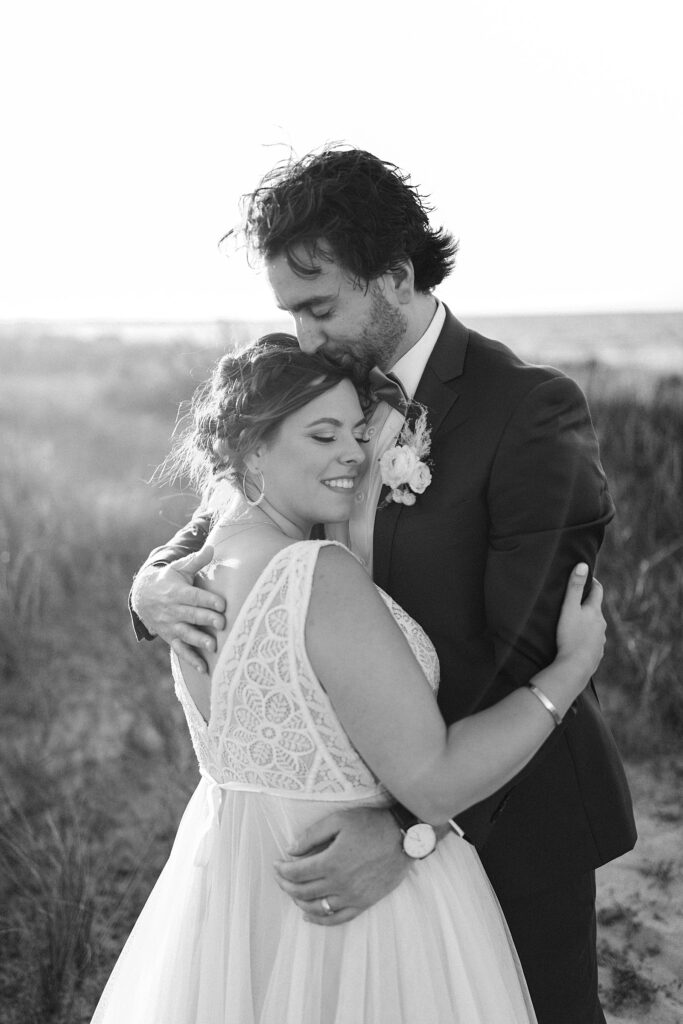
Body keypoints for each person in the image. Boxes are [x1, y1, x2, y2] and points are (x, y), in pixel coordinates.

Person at [130, 148, 637, 1024]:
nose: (305, 336)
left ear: (395, 277)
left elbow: (528, 648)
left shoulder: (529, 410)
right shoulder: (320, 392)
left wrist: (409, 822)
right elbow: (236, 494)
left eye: (319, 307)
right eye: (291, 313)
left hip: (502, 814)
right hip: (337, 821)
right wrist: (148, 586)